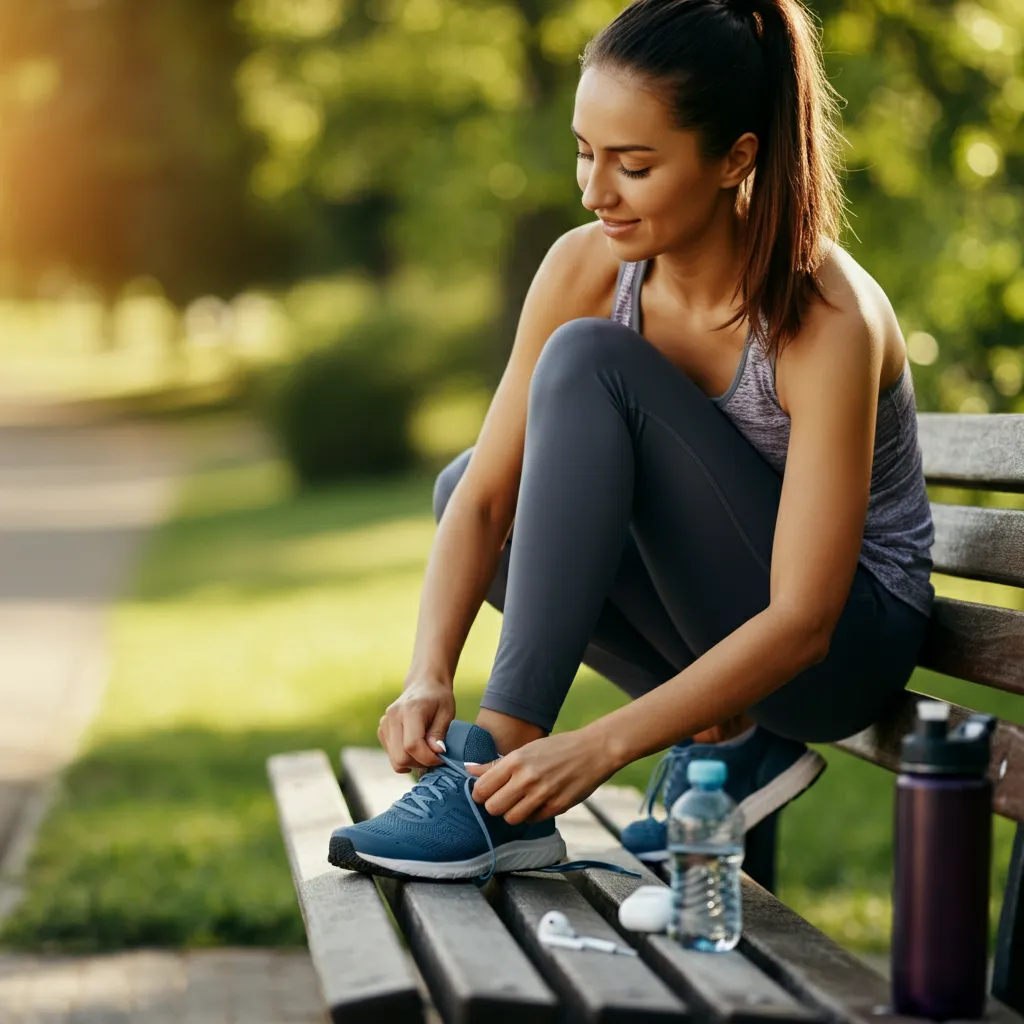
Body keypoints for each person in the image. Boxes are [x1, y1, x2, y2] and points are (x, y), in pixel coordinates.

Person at [329, 0, 935, 882]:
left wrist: (598, 747)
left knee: (587, 361)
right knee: (464, 480)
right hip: (734, 627)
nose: (594, 191)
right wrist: (427, 674)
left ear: (736, 159)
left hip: (840, 653)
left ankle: (492, 777)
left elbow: (805, 619)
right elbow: (486, 500)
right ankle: (715, 744)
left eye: (634, 164)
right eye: (584, 151)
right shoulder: (585, 266)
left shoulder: (824, 314)